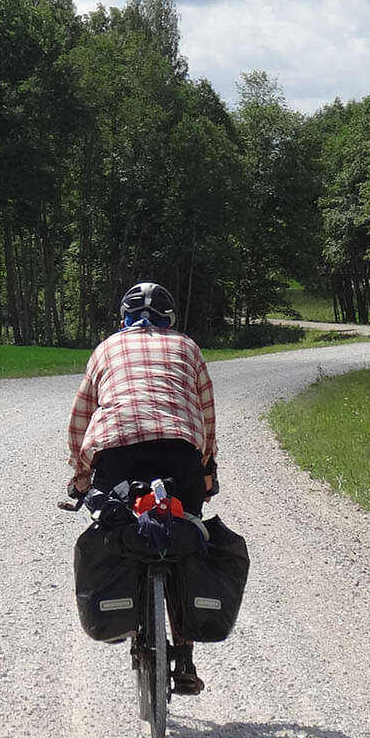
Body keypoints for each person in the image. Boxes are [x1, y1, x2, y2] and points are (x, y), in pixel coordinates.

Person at [65, 281, 218, 694]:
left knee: (117, 528)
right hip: (179, 452)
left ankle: (124, 614)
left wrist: (80, 479)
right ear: (170, 321)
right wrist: (205, 467)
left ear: (122, 320)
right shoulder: (187, 347)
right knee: (184, 537)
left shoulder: (105, 349)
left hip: (116, 453)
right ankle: (183, 658)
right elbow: (206, 414)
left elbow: (80, 419)